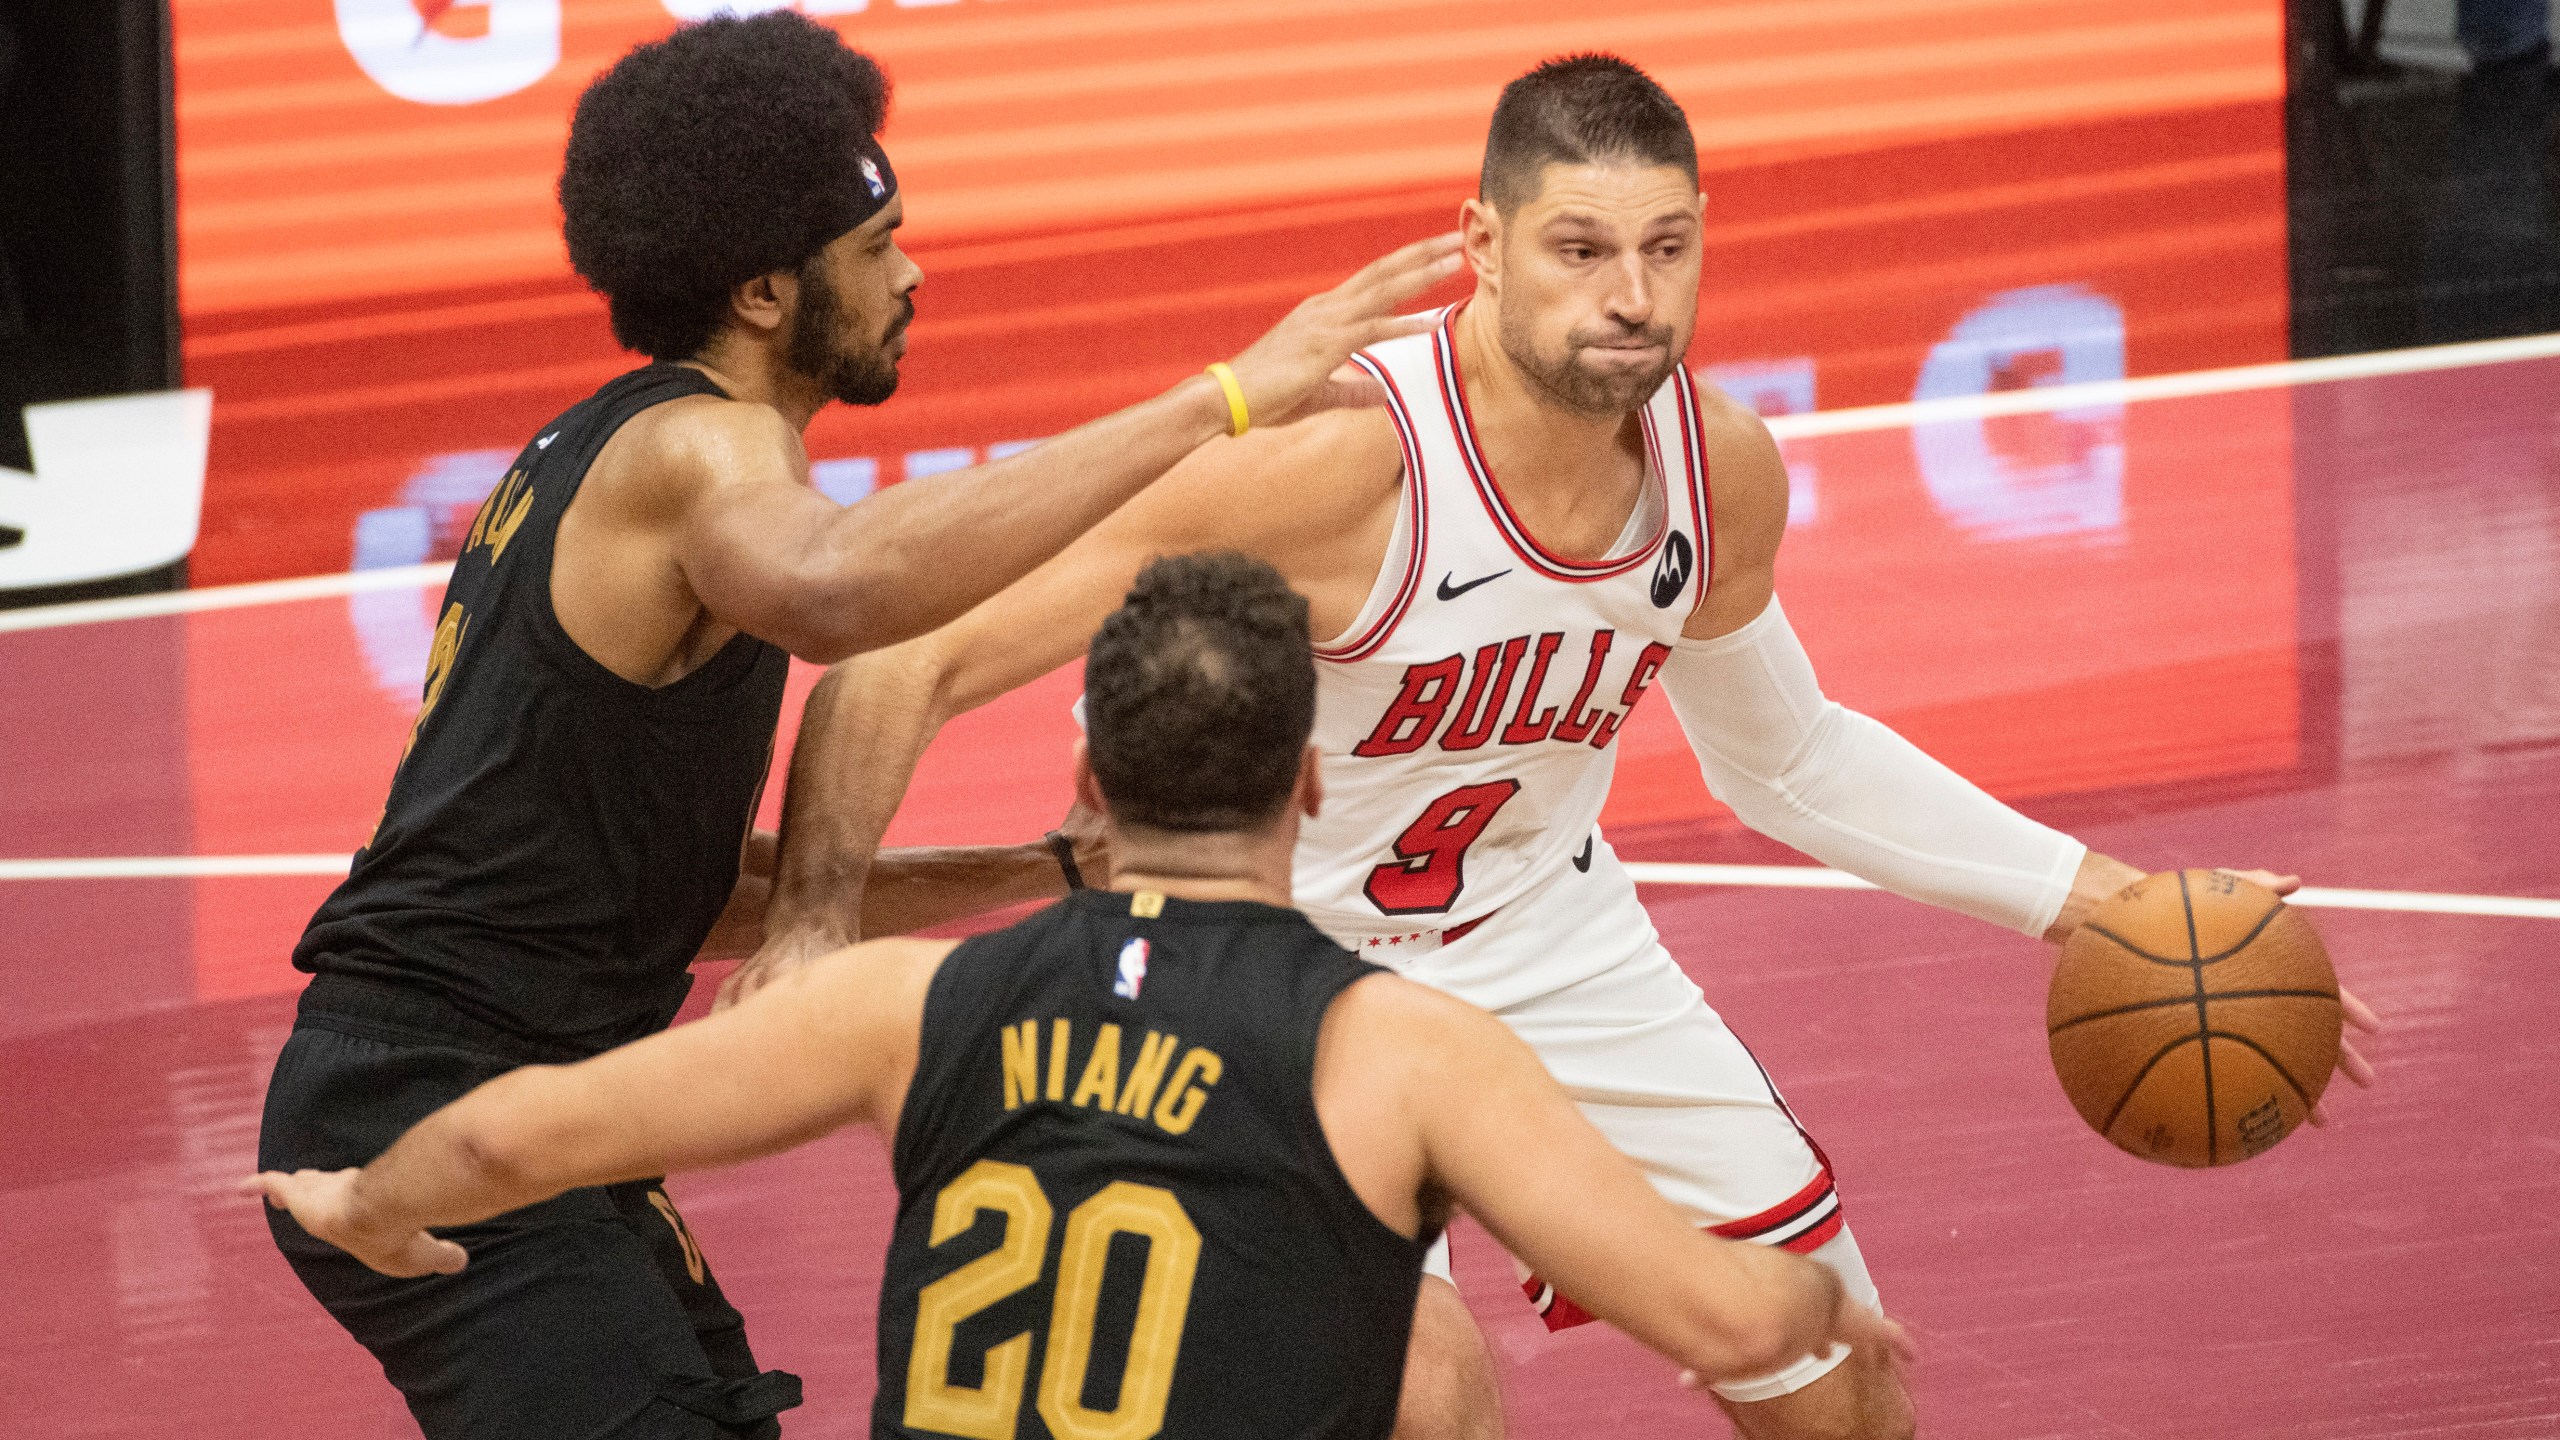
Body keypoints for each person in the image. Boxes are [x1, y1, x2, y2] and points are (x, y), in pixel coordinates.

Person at [732, 54, 2382, 1440]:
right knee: (1431, 1397)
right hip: (1276, 964)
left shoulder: (1714, 467)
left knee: (1837, 1375)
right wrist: (809, 917)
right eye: (1582, 249)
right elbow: (910, 647)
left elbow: (1786, 757)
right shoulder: (1334, 471)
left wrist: (2104, 898)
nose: (1632, 295)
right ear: (1485, 245)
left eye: (1667, 248)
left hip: (1547, 934)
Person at [253, 15, 1460, 1439]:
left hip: (526, 1104)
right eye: (880, 248)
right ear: (768, 292)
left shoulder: (625, 451)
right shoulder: (699, 451)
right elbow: (842, 593)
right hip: (429, 1093)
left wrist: (1037, 867)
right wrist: (1219, 400)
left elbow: (682, 895)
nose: (914, 272)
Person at [249, 553, 1913, 1439]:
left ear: (1088, 782)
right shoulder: (1406, 1052)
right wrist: (1830, 1321)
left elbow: (518, 1134)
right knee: (1421, 1370)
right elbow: (1725, 1318)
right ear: (1315, 790)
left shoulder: (899, 1007)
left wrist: (369, 1197)